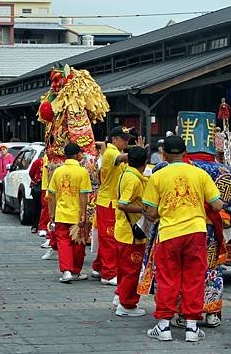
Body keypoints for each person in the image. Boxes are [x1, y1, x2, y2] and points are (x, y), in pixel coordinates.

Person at [142, 135, 223, 342]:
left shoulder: (158, 175)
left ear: (164, 154)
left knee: (167, 279)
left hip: (169, 233)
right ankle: (192, 328)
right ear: (185, 152)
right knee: (194, 278)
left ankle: (164, 326)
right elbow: (217, 205)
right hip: (196, 232)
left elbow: (150, 212)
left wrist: (162, 210)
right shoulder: (200, 173)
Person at [93, 126, 141, 286]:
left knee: (107, 237)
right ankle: (108, 274)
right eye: (124, 139)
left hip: (109, 201)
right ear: (114, 139)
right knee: (109, 238)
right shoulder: (111, 152)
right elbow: (123, 159)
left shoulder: (115, 152)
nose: (126, 142)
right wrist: (138, 152)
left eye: (128, 139)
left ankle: (99, 267)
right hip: (108, 202)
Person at [47, 143, 92, 283]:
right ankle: (75, 271)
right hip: (76, 214)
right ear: (77, 155)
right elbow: (83, 196)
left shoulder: (58, 172)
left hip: (61, 213)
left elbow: (52, 195)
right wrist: (84, 215)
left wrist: (52, 214)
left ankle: (66, 271)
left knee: (63, 242)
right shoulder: (82, 172)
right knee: (79, 244)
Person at [114, 146, 148, 317]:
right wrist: (143, 211)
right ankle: (127, 305)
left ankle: (121, 296)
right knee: (131, 271)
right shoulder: (133, 179)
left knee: (124, 269)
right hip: (131, 234)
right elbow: (123, 203)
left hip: (123, 231)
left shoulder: (127, 174)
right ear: (144, 163)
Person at [28, 154, 44, 234]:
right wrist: (36, 180)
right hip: (38, 187)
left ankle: (41, 226)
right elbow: (31, 172)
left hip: (47, 187)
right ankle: (35, 225)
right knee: (37, 207)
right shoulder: (38, 161)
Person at [0, 145, 14, 214]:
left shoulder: (10, 156)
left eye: (4, 149)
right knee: (2, 191)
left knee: (6, 190)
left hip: (7, 176)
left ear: (7, 150)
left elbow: (12, 165)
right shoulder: (1, 157)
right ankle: (2, 204)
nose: (2, 151)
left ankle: (7, 205)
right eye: (1, 150)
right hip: (1, 176)